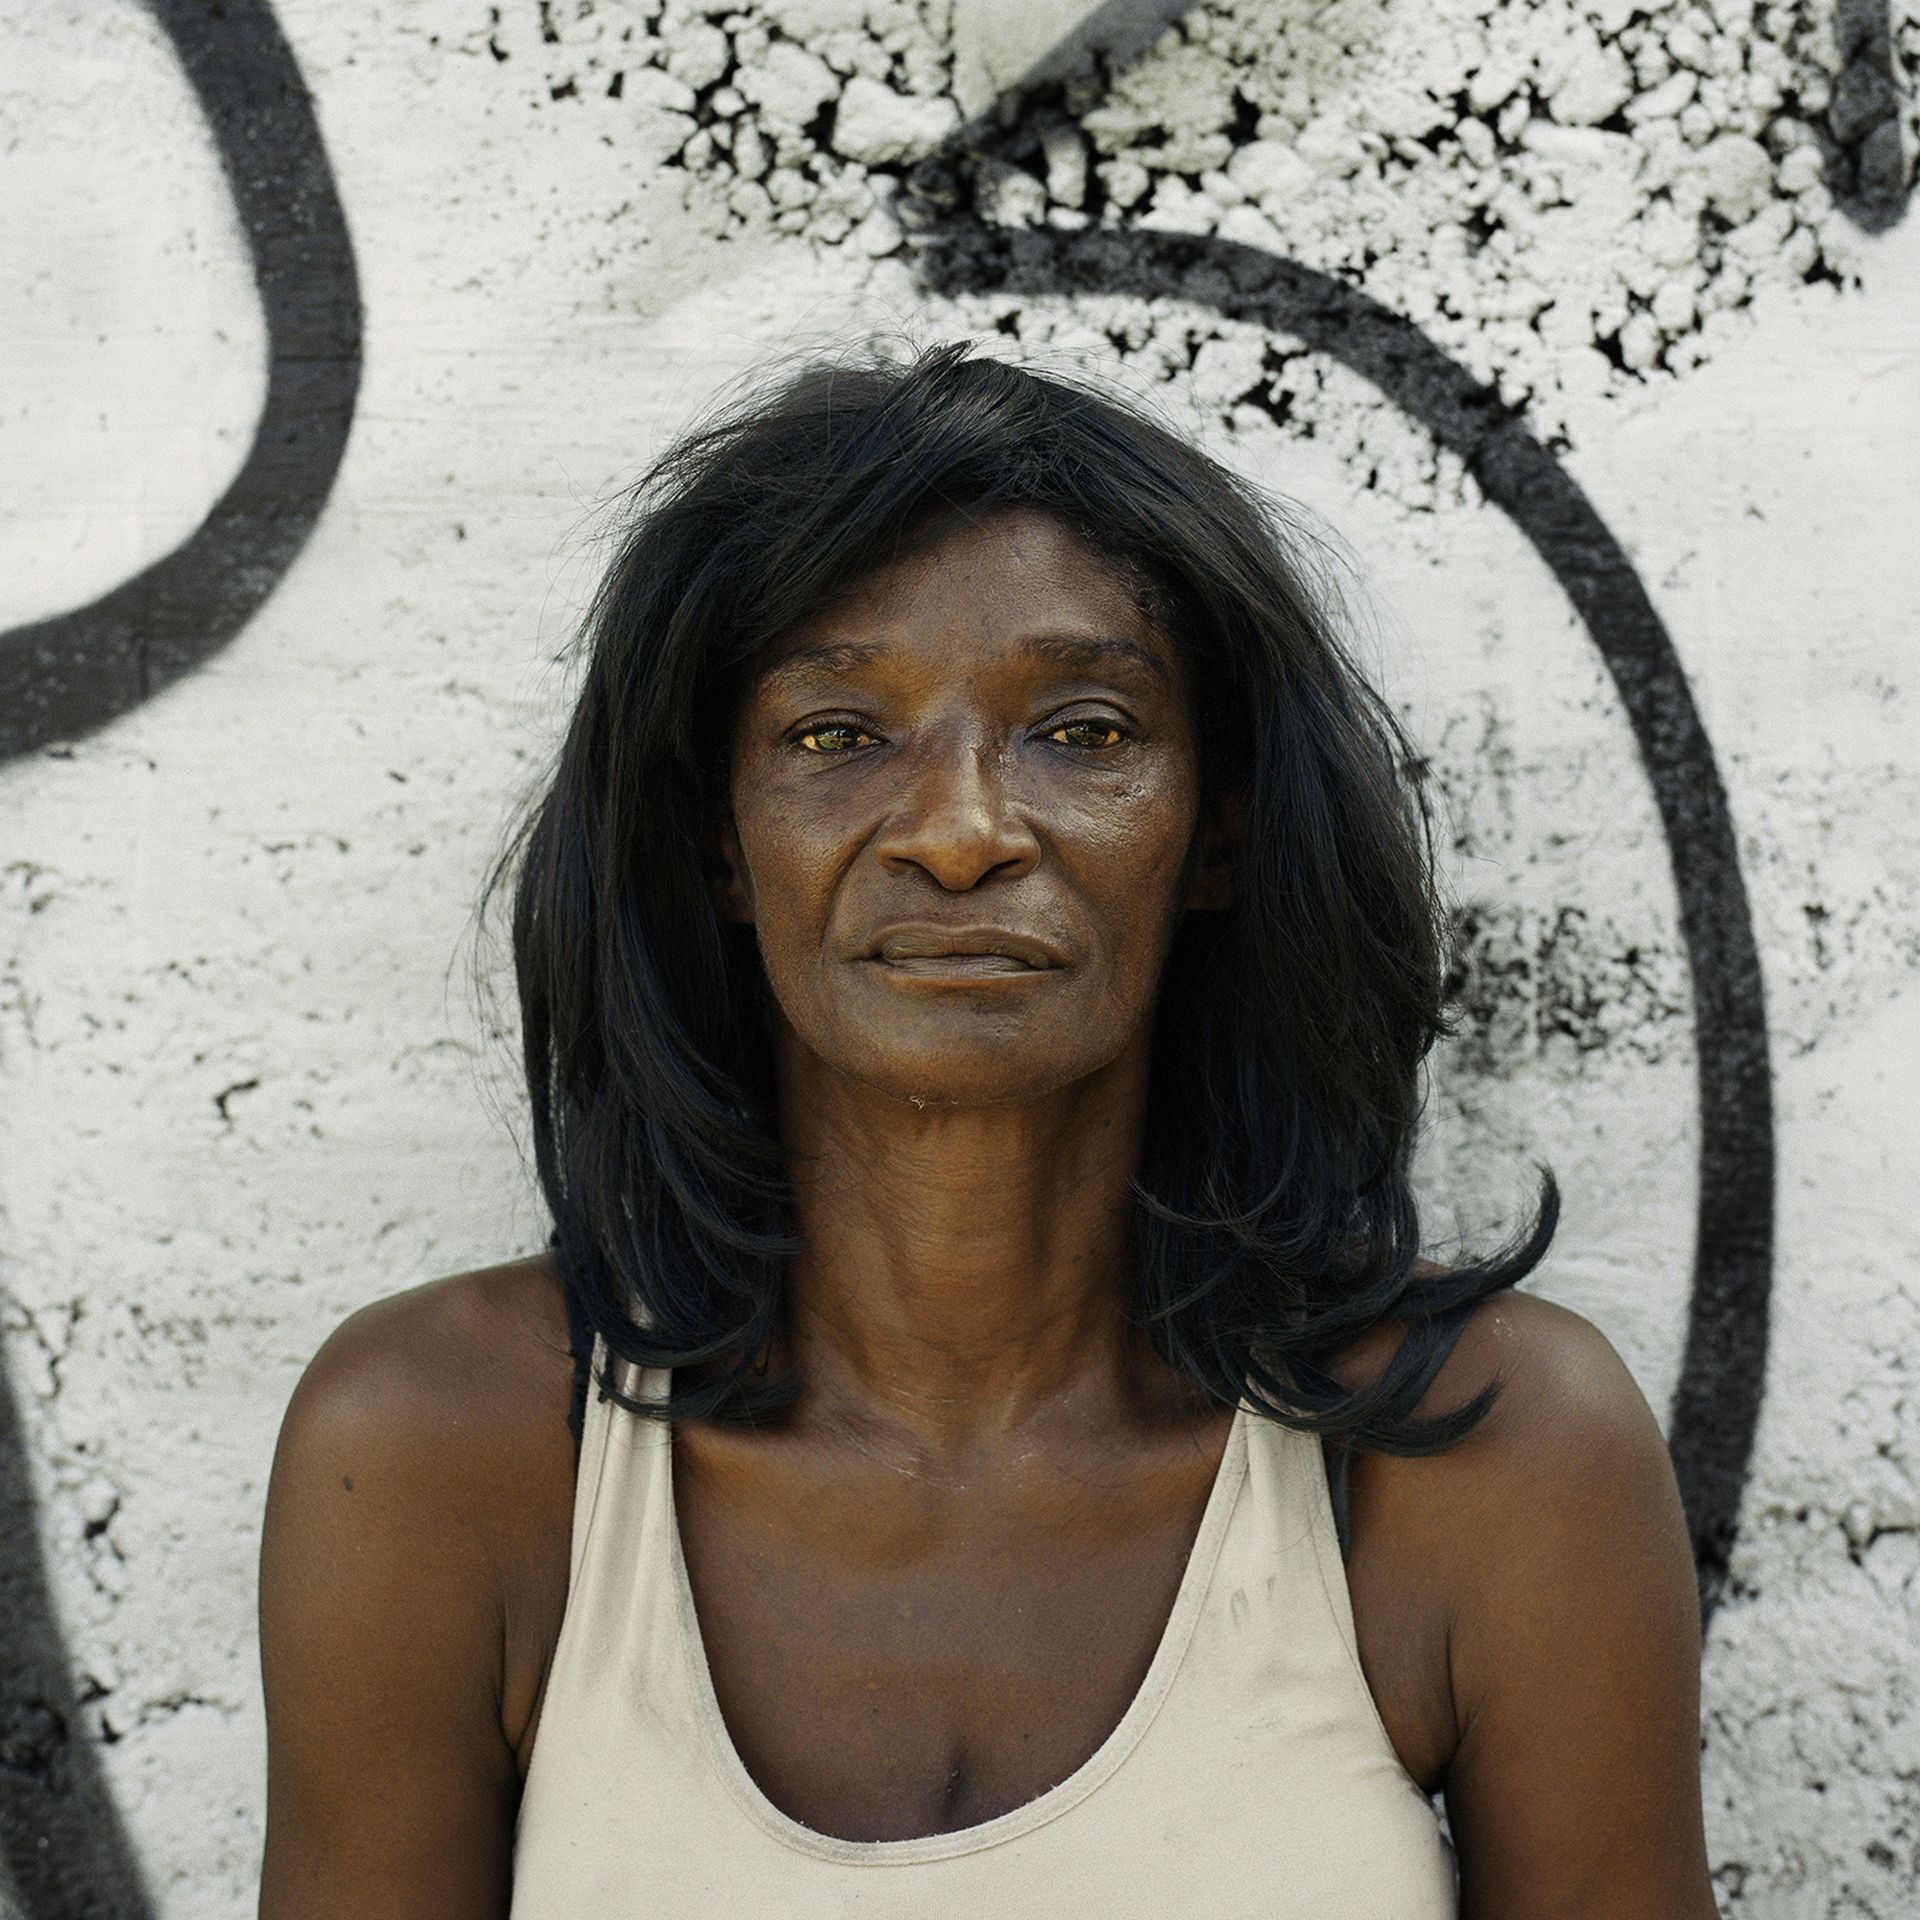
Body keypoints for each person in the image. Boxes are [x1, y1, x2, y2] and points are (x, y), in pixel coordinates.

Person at [256, 343, 1719, 1917]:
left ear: (1218, 831)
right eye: (837, 734)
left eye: (1082, 730)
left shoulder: (1489, 1459)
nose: (961, 831)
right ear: (717, 843)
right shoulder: (437, 1453)